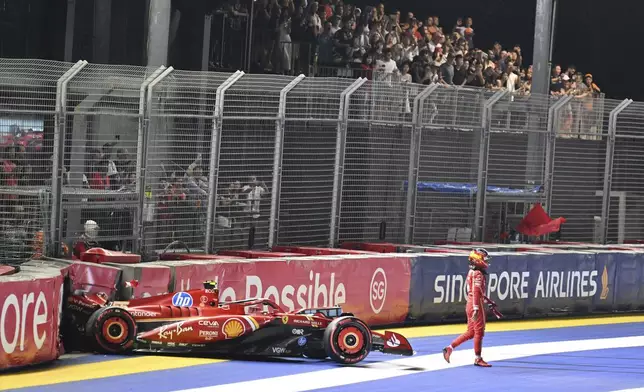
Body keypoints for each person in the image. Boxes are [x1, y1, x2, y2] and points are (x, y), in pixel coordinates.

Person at [442, 248, 493, 367]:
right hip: (475, 304)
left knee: (471, 332)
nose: (486, 261)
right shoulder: (478, 274)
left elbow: (475, 291)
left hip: (469, 303)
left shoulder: (472, 272)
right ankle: (478, 358)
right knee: (479, 332)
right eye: (484, 258)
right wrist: (476, 307)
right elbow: (476, 291)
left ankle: (449, 348)